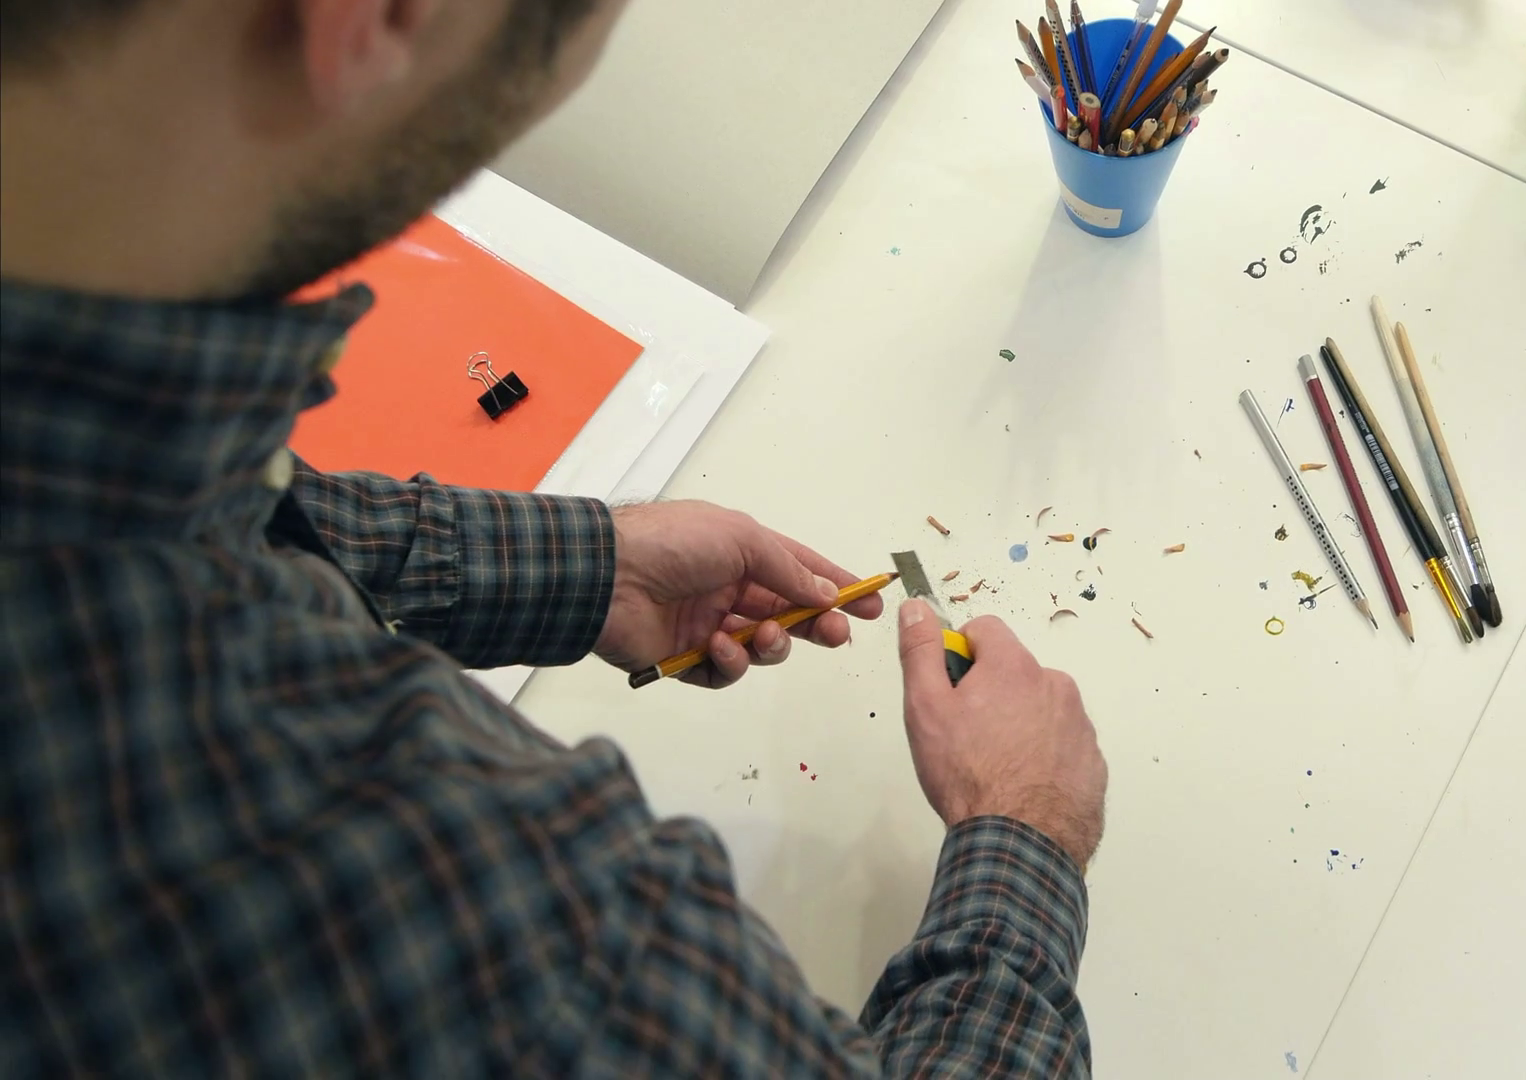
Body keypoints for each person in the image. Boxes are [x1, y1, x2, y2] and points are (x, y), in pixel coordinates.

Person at [0, 1, 1109, 1074]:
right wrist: (1026, 826)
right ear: (380, 16)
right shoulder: (419, 876)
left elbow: (230, 519)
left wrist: (584, 568)